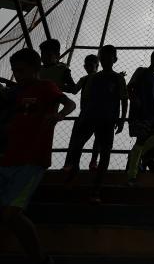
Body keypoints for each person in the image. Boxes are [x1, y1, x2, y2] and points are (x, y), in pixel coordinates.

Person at [0, 48, 75, 264]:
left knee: (11, 214)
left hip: (32, 161)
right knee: (8, 215)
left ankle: (40, 259)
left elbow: (69, 103)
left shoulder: (46, 87)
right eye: (15, 71)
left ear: (36, 69)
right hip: (8, 159)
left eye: (22, 70)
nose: (18, 75)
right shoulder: (16, 93)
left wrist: (58, 116)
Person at [65, 45, 128, 203]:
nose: (106, 59)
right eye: (103, 56)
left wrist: (121, 119)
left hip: (107, 120)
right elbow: (86, 99)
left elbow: (124, 99)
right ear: (100, 59)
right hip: (90, 117)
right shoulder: (93, 78)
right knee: (77, 146)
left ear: (114, 59)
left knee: (104, 154)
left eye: (109, 57)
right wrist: (84, 116)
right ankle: (74, 174)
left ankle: (96, 189)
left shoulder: (117, 78)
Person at [127, 49, 154, 185]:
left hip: (153, 117)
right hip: (140, 114)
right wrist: (135, 100)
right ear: (153, 59)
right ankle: (131, 175)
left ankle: (136, 155)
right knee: (141, 140)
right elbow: (130, 87)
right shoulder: (141, 71)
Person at [64, 54, 101, 171]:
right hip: (93, 113)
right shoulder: (90, 78)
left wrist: (60, 85)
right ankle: (92, 162)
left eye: (90, 65)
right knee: (96, 139)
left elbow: (74, 90)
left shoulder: (86, 79)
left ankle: (74, 164)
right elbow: (74, 90)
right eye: (86, 65)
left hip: (87, 113)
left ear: (96, 65)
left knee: (79, 140)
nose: (88, 67)